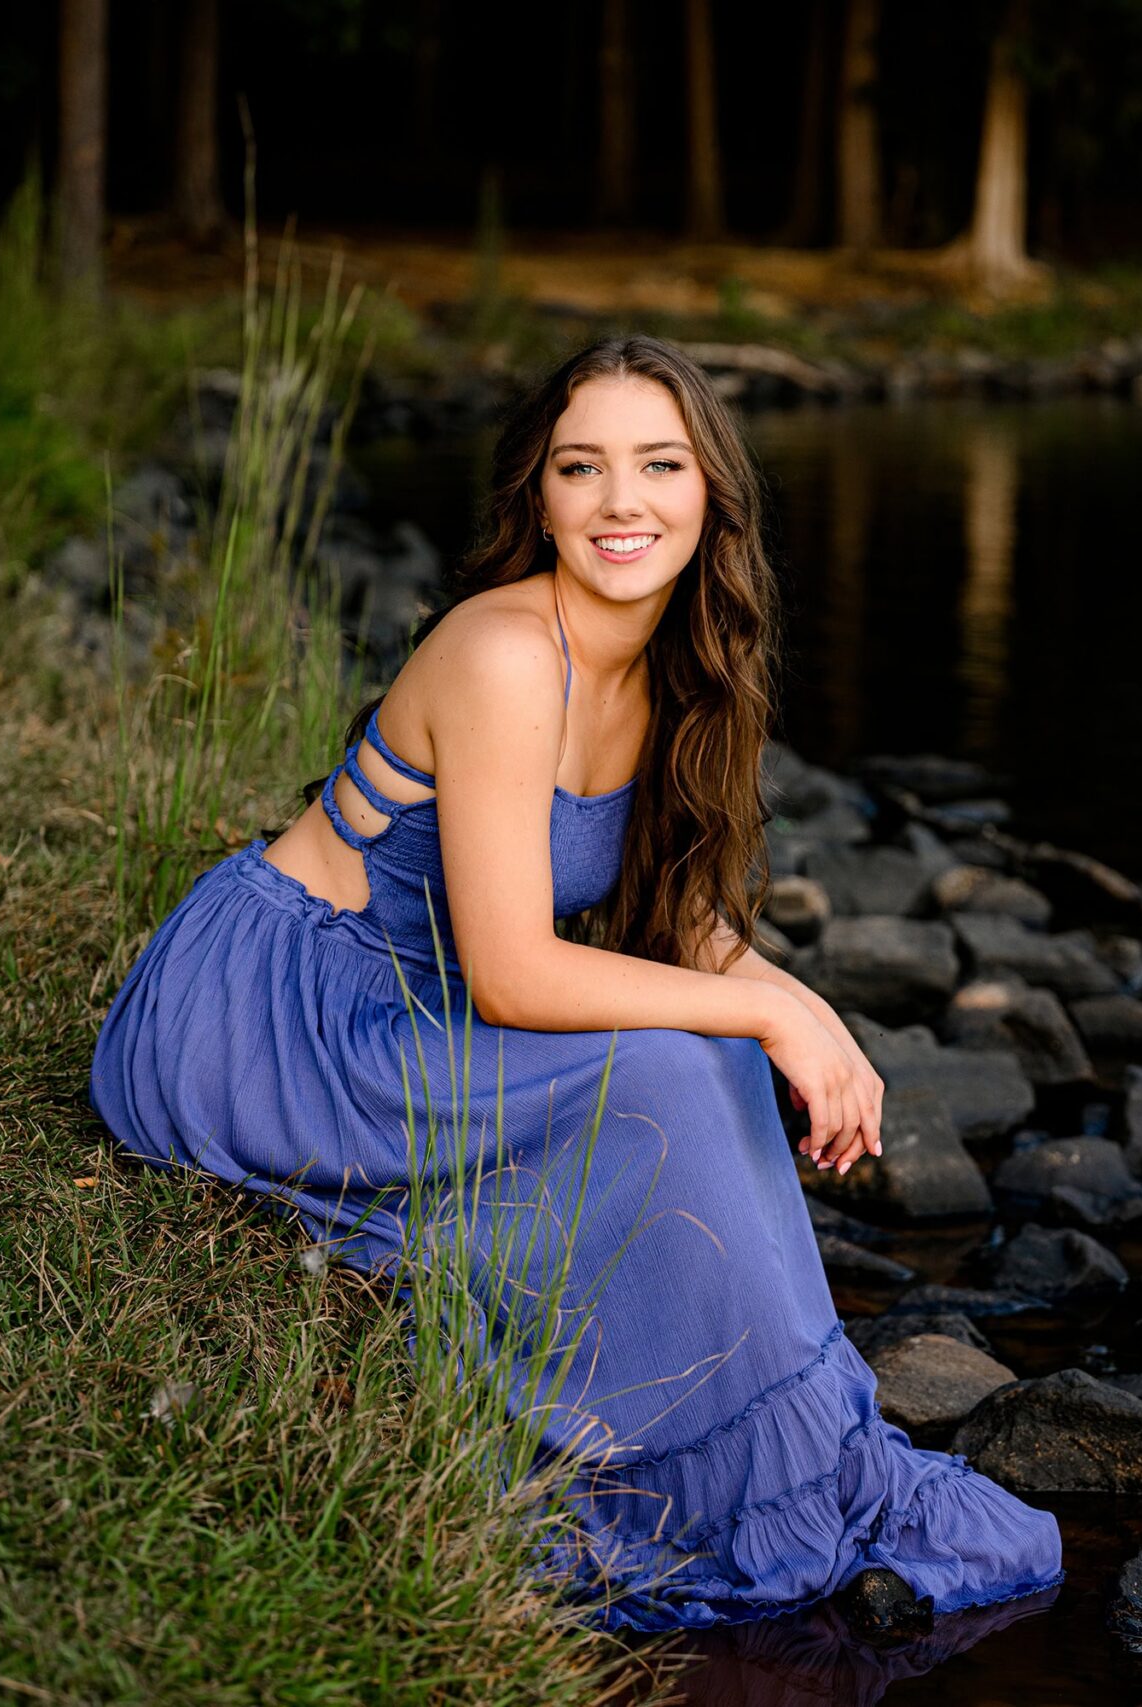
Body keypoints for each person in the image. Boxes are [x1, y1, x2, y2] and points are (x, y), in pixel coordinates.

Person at [88, 334, 1063, 1633]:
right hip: (285, 1014)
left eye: (659, 464)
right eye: (581, 467)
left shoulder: (679, 668)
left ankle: (816, 1454)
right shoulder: (502, 655)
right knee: (680, 1058)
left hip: (412, 1004)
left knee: (705, 1052)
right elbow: (513, 975)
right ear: (535, 497)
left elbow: (687, 924)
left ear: (711, 489)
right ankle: (718, 1473)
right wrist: (770, 1011)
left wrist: (809, 1013)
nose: (622, 503)